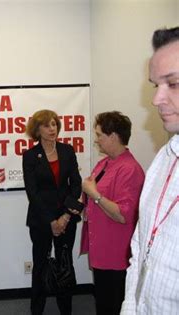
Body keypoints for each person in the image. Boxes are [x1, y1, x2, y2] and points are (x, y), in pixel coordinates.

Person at [121, 26, 179, 314]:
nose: (156, 99)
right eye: (156, 85)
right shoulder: (163, 160)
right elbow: (141, 249)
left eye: (174, 83)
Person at [80, 112, 145, 315]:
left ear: (114, 137)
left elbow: (123, 215)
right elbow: (91, 193)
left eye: (100, 135)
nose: (97, 140)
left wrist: (95, 195)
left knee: (113, 305)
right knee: (103, 303)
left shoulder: (130, 169)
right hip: (101, 250)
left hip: (115, 255)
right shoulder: (105, 163)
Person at [22, 109, 82, 315]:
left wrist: (65, 216)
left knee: (65, 264)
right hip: (41, 220)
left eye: (54, 124)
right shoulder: (30, 155)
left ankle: (66, 309)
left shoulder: (67, 150)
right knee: (40, 264)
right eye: (46, 125)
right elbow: (33, 192)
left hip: (67, 217)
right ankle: (36, 309)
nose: (52, 129)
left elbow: (76, 184)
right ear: (37, 130)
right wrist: (51, 221)